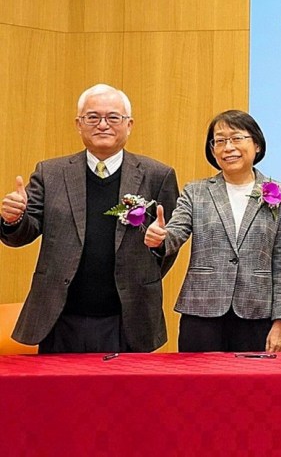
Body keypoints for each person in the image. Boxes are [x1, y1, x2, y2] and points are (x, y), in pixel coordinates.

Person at [0, 84, 180, 353]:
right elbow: (23, 233)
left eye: (113, 117)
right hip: (59, 316)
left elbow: (170, 242)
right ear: (79, 124)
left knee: (127, 383)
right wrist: (13, 219)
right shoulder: (50, 173)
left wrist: (148, 266)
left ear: (129, 125)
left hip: (128, 317)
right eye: (93, 117)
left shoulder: (157, 175)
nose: (103, 125)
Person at [144, 110, 281, 353]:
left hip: (256, 314)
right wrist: (161, 239)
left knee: (252, 379)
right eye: (220, 141)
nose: (228, 147)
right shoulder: (196, 191)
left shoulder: (280, 193)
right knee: (199, 378)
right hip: (201, 312)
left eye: (236, 138)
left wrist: (280, 322)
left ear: (256, 144)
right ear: (213, 150)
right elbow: (175, 232)